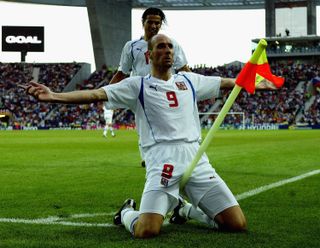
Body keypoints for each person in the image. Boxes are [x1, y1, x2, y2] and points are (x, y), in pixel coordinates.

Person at [22, 34, 275, 238]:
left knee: (236, 224)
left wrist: (258, 83)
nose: (167, 50)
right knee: (147, 230)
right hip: (162, 162)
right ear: (149, 54)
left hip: (196, 158)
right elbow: (96, 94)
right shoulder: (137, 85)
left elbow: (228, 82)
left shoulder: (189, 81)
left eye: (170, 47)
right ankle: (125, 213)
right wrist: (54, 95)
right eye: (161, 47)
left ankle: (185, 210)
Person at [109, 7, 190, 169]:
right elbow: (122, 72)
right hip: (142, 93)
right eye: (150, 22)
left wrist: (193, 89)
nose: (154, 26)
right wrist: (107, 92)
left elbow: (184, 70)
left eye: (157, 23)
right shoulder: (131, 46)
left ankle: (170, 159)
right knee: (144, 125)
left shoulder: (172, 45)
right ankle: (149, 157)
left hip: (166, 91)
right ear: (143, 23)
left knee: (168, 126)